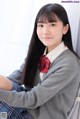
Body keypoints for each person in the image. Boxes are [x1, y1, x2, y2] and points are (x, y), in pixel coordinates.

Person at [0, 3, 80, 119]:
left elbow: (33, 98)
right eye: (41, 25)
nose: (45, 31)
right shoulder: (39, 52)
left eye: (52, 25)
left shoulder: (69, 64)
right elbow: (15, 78)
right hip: (26, 107)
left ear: (65, 28)